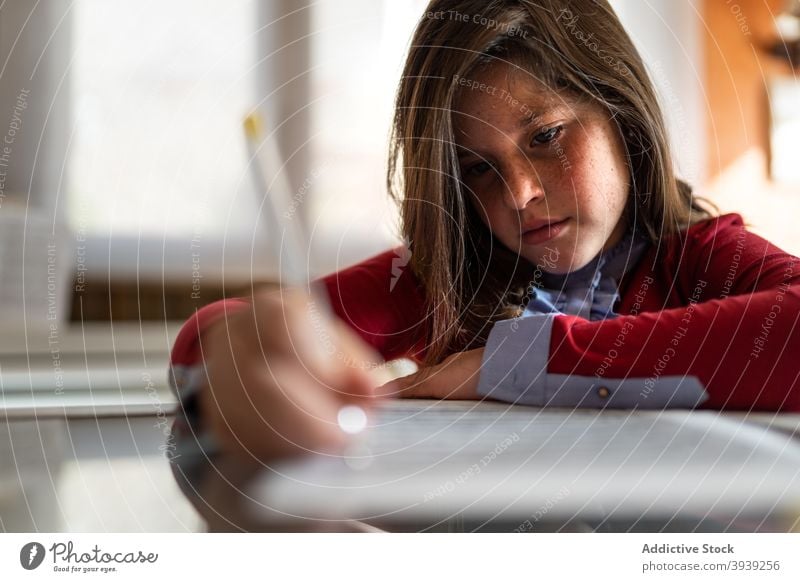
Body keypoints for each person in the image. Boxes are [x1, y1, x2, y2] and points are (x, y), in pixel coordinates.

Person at [169, 0, 800, 463]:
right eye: (477, 167)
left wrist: (510, 362)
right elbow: (219, 337)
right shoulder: (445, 282)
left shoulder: (703, 260)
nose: (520, 193)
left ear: (622, 118)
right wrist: (244, 345)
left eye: (546, 136)